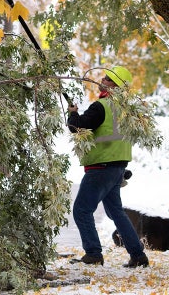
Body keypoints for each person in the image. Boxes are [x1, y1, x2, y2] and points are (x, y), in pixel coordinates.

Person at [67, 66, 149, 268]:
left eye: (107, 78)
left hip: (100, 167)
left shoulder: (101, 106)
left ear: (115, 85)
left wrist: (72, 113)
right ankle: (138, 256)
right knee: (116, 213)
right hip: (118, 168)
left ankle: (94, 253)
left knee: (81, 210)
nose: (102, 80)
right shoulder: (127, 109)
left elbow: (78, 128)